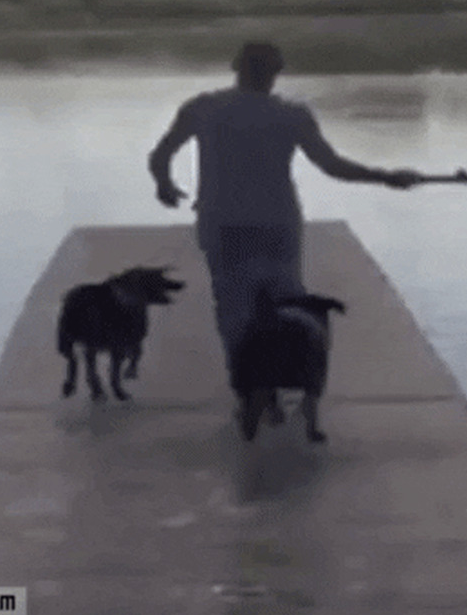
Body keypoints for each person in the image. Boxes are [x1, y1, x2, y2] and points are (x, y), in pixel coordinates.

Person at [148, 41, 421, 385]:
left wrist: (164, 184)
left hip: (223, 221)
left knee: (233, 303)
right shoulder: (292, 114)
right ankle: (287, 374)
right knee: (288, 300)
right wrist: (386, 178)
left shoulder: (204, 108)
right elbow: (331, 166)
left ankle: (244, 381)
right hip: (277, 221)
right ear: (277, 72)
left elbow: (161, 153)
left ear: (236, 67)